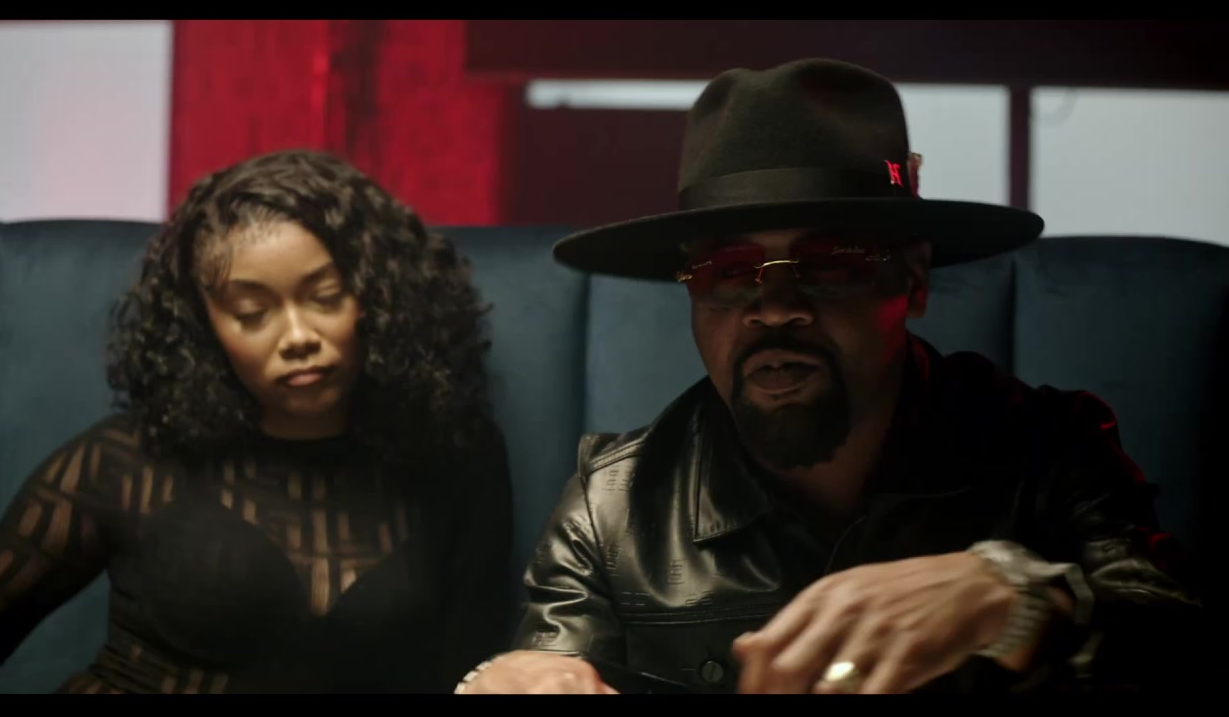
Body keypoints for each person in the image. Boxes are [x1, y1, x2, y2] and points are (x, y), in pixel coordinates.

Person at [454, 58, 1206, 695]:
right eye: (730, 270)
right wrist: (508, 677)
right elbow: (548, 671)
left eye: (829, 263)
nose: (774, 308)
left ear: (913, 280)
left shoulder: (1047, 450)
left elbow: (1177, 641)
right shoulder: (613, 506)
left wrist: (1017, 600)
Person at [0, 149, 514, 693]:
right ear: (205, 328)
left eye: (325, 297)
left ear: (378, 297)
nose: (298, 337)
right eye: (252, 313)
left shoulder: (456, 457)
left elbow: (472, 667)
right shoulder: (125, 461)